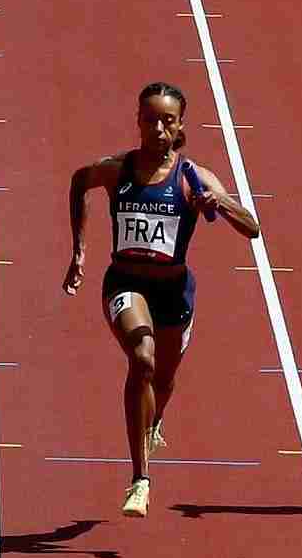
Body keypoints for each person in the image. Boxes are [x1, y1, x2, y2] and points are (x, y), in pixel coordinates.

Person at [65, 81, 260, 517]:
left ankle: (153, 423)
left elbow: (253, 228)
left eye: (166, 121)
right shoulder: (119, 170)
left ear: (179, 126)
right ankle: (140, 479)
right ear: (137, 120)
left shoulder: (193, 177)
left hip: (174, 292)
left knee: (164, 378)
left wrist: (222, 203)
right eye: (149, 119)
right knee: (143, 358)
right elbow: (80, 181)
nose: (157, 128)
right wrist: (79, 250)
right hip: (125, 283)